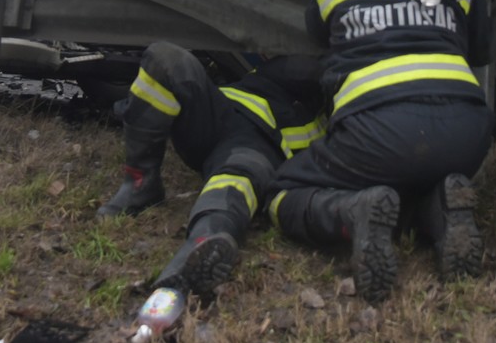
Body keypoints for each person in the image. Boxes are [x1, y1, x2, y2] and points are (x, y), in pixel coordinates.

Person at [268, 0, 495, 301]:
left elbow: (320, 37)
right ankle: (439, 208)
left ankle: (351, 213)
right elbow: (484, 51)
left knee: (281, 190)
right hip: (468, 136)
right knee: (410, 177)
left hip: (376, 133)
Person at [96, 42, 326, 297]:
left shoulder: (346, 95)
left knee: (234, 184)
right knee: (165, 59)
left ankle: (200, 248)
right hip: (220, 113)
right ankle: (140, 184)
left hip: (263, 146)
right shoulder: (301, 52)